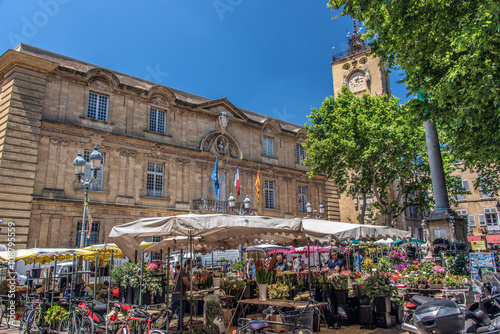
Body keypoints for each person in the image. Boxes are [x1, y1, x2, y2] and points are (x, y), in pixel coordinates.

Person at [168, 259, 199, 330]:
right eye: (191, 265)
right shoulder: (183, 270)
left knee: (182, 310)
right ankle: (165, 324)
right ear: (188, 264)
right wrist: (194, 288)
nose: (192, 266)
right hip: (177, 293)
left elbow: (188, 281)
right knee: (172, 310)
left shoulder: (186, 272)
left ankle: (180, 325)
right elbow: (185, 281)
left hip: (182, 294)